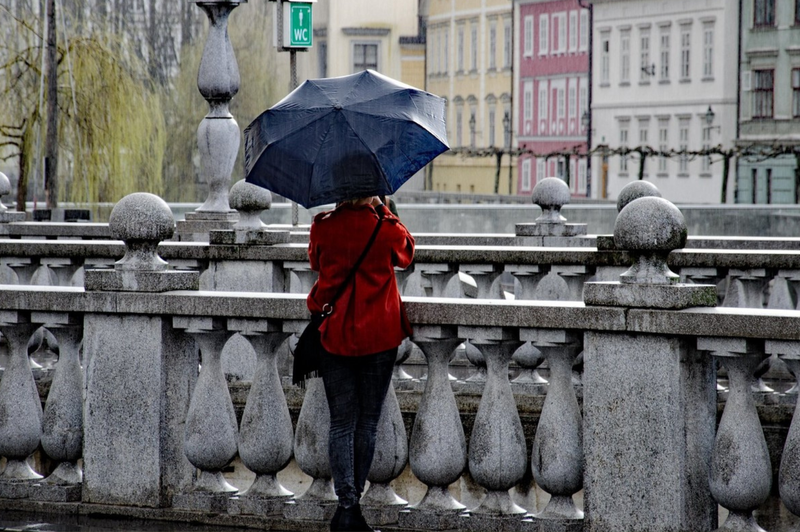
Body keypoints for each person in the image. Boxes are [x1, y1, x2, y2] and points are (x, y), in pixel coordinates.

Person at [307, 195, 415, 532]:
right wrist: (384, 209)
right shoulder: (384, 228)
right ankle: (352, 508)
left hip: (334, 334)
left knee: (341, 423)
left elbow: (314, 261)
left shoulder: (323, 226)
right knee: (367, 423)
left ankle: (347, 506)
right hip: (378, 337)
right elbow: (408, 253)